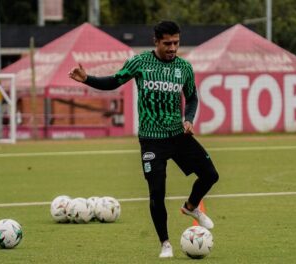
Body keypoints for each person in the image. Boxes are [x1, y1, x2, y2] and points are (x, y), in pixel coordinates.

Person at [68, 21, 219, 257]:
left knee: (211, 175)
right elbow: (114, 81)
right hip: (152, 140)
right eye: (167, 43)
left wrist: (188, 119)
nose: (172, 48)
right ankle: (165, 244)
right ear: (156, 42)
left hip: (178, 136)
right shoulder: (140, 63)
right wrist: (88, 78)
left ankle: (191, 207)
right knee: (157, 193)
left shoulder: (184, 68)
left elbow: (192, 98)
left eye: (176, 43)